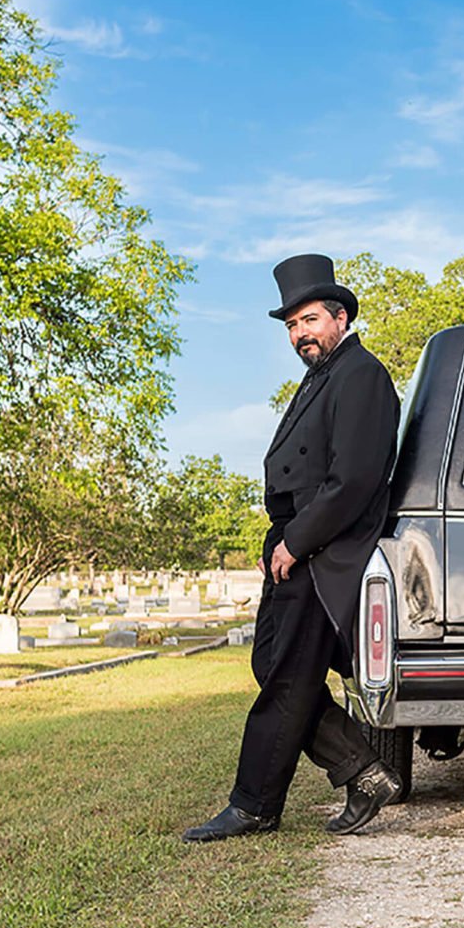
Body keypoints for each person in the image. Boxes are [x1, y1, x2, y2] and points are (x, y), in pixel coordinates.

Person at [183, 253, 403, 841]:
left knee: (286, 679)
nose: (299, 334)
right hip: (294, 549)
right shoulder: (321, 377)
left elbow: (352, 480)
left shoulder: (362, 376)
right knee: (270, 665)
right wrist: (274, 541)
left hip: (326, 554)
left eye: (308, 320)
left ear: (339, 317)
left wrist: (298, 542)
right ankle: (362, 770)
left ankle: (253, 804)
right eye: (290, 326)